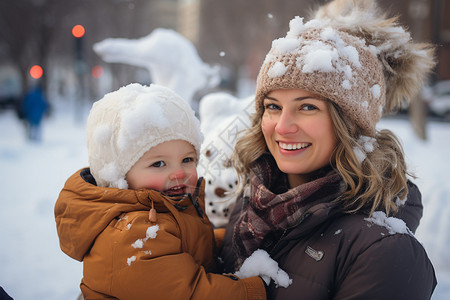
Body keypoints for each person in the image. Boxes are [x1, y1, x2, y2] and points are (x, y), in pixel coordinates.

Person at [220, 0, 437, 299]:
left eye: (307, 107)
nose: (282, 126)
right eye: (273, 107)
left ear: (349, 124)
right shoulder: (249, 207)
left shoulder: (384, 251)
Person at [54, 83, 269, 299]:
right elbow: (192, 293)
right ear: (118, 175)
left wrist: (225, 239)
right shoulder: (133, 235)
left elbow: (185, 245)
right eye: (158, 164)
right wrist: (255, 291)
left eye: (187, 159)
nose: (178, 173)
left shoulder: (165, 209)